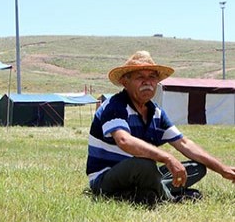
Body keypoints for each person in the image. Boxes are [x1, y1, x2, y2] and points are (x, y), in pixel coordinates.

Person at [86, 50, 235, 205]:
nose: (147, 82)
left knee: (196, 168)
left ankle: (142, 194)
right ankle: (170, 199)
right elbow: (124, 141)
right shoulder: (115, 105)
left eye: (152, 77)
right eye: (140, 77)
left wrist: (222, 169)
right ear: (125, 81)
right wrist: (167, 157)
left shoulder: (156, 112)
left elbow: (184, 143)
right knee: (144, 164)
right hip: (107, 178)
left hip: (141, 174)